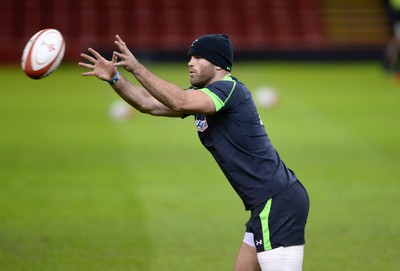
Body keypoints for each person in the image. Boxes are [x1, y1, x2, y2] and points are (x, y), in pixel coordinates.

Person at [79, 34, 310, 271]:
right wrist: (115, 78)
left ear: (219, 64)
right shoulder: (204, 95)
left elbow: (179, 101)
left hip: (277, 202)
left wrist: (137, 68)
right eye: (190, 57)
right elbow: (147, 103)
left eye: (199, 57)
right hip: (265, 203)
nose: (190, 62)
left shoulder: (228, 90)